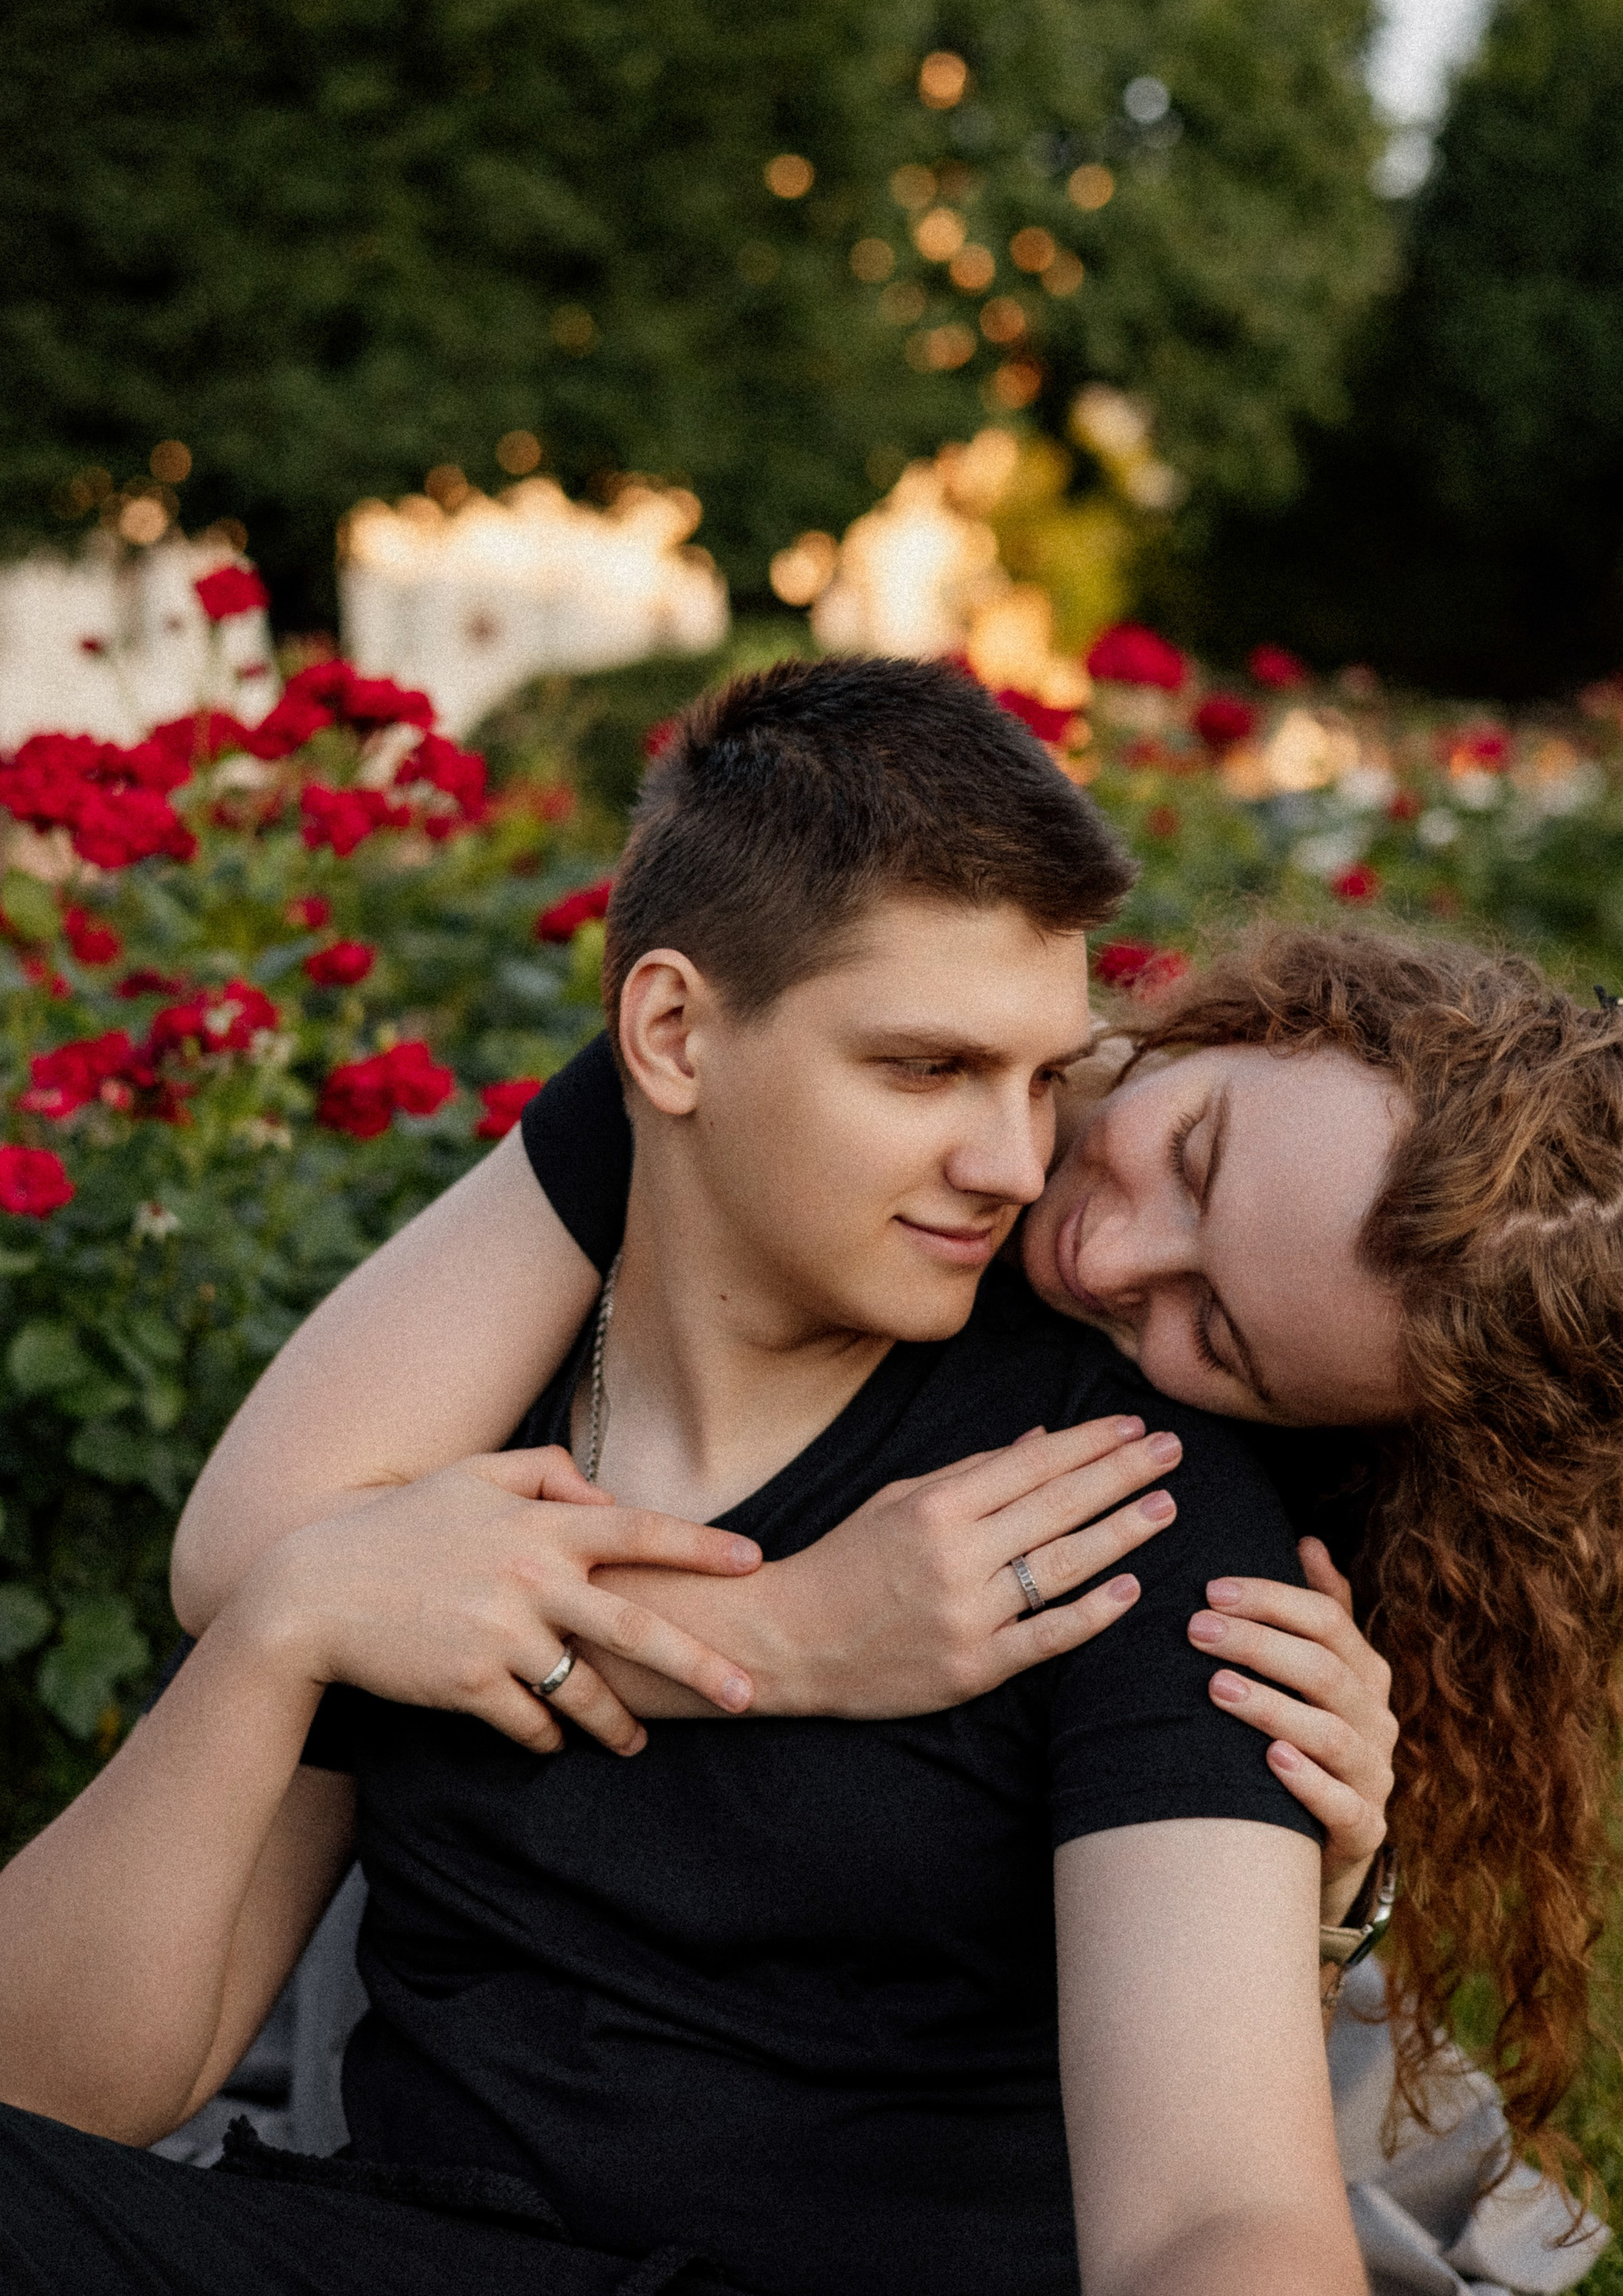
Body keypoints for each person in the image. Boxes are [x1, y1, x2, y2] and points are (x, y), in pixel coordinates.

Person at [0, 658, 1366, 2296]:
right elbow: (59, 2086)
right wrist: (288, 1621)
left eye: (1040, 1076)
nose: (1016, 1164)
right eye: (926, 1069)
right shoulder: (439, 1451)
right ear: (670, 1036)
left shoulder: (1102, 1499)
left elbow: (1222, 2213)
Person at [178, 760, 1623, 2184]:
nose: (1105, 1256)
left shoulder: (1192, 1489)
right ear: (1262, 1018)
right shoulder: (781, 1092)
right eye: (1194, 1158)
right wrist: (783, 1637)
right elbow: (249, 1560)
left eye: (1217, 1335)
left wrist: (1325, 1899)